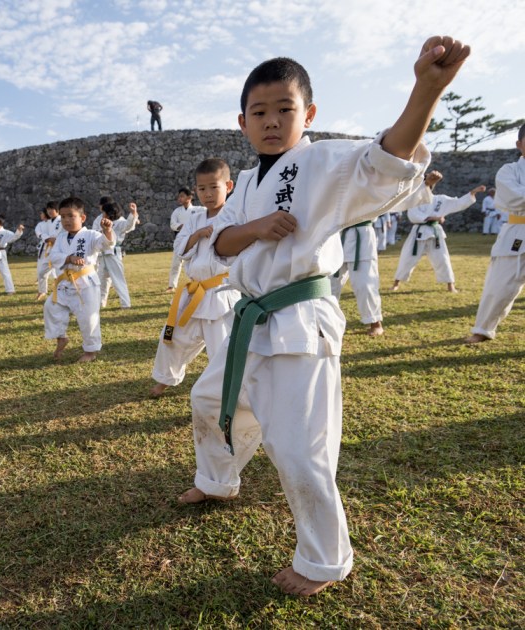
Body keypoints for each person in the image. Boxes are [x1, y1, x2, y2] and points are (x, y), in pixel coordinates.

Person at [183, 37, 468, 597]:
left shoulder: (321, 162)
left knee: (298, 448)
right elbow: (213, 248)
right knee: (210, 400)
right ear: (242, 122)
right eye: (260, 112)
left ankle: (322, 560)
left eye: (285, 110)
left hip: (298, 320)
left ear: (308, 114)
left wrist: (426, 90)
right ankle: (217, 480)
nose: (272, 121)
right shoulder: (244, 185)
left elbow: (382, 162)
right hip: (251, 321)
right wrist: (256, 229)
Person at [150, 158, 238, 397]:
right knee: (173, 338)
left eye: (214, 187)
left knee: (222, 349)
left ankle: (227, 393)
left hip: (221, 293)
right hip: (193, 293)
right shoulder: (194, 219)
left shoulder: (237, 216)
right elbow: (180, 248)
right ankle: (165, 378)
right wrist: (198, 234)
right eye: (202, 189)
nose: (207, 194)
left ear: (228, 186)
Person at [466, 123, 525, 344]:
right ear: (519, 144)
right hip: (518, 232)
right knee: (500, 285)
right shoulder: (509, 171)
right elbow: (513, 198)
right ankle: (483, 329)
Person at [44, 196, 115, 362]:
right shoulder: (61, 237)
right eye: (63, 217)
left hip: (86, 283)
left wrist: (108, 231)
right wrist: (69, 258)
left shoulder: (91, 235)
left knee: (88, 318)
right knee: (51, 306)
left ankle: (90, 351)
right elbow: (53, 257)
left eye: (71, 216)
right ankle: (61, 336)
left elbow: (105, 244)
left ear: (82, 218)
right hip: (65, 283)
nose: (66, 220)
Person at [391, 172, 485, 293]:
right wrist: (435, 218)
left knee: (442, 259)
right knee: (407, 258)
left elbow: (458, 203)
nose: (427, 187)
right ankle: (396, 283)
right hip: (418, 233)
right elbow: (413, 216)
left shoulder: (440, 199)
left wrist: (473, 192)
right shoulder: (413, 200)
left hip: (435, 233)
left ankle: (450, 285)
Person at [330, 217, 385, 336]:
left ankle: (375, 322)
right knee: (330, 283)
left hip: (363, 236)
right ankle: (327, 319)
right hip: (338, 234)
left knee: (365, 283)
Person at [94, 198, 139, 309]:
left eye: (104, 212)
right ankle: (100, 302)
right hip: (102, 254)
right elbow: (95, 233)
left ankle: (125, 304)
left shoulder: (120, 222)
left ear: (110, 213)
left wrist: (133, 213)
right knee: (102, 280)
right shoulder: (100, 220)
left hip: (114, 254)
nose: (102, 214)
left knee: (118, 279)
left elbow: (129, 225)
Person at [167, 188, 203, 292]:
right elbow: (172, 224)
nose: (179, 198)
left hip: (194, 240)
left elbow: (210, 212)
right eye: (179, 196)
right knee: (175, 263)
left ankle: (196, 283)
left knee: (194, 263)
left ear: (189, 197)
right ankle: (171, 285)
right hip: (181, 239)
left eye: (182, 196)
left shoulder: (198, 209)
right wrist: (182, 226)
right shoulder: (177, 211)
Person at [0, 214, 24, 294]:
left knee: (4, 271)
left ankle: (10, 290)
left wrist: (19, 231)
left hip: (1, 251)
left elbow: (14, 237)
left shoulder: (5, 232)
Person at [35, 202, 61, 300]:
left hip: (59, 250)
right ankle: (42, 291)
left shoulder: (61, 220)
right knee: (41, 272)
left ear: (57, 210)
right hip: (49, 249)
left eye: (52, 209)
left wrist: (55, 239)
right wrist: (47, 238)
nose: (49, 211)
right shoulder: (48, 222)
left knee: (60, 273)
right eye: (48, 209)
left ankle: (62, 293)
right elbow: (41, 233)